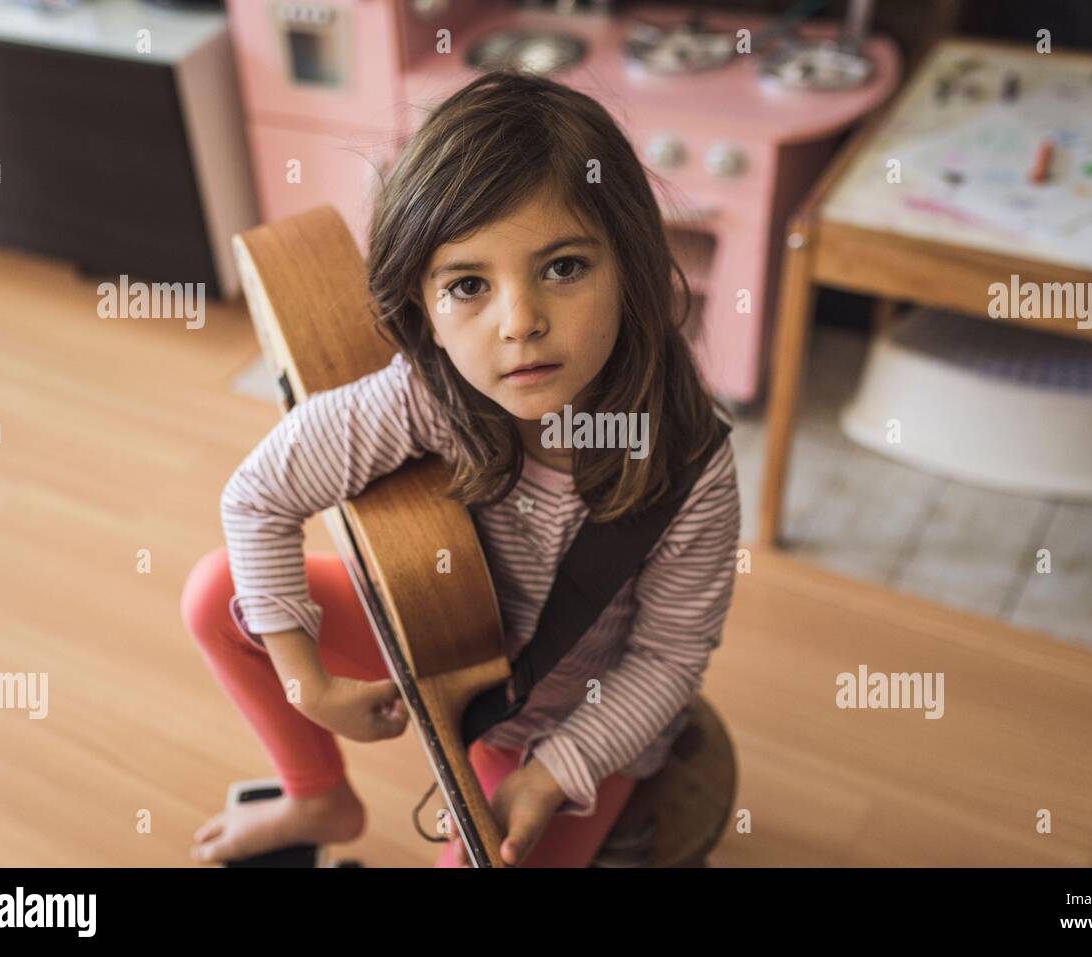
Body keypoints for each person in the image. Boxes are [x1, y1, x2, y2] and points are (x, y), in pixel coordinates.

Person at [180, 70, 741, 867]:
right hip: (439, 637)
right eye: (469, 285)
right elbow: (259, 494)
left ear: (632, 263)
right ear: (425, 309)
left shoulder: (688, 463)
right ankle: (316, 796)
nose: (521, 323)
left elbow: (669, 659)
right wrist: (309, 683)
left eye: (564, 267)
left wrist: (555, 772)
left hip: (568, 724)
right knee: (217, 595)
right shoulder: (427, 393)